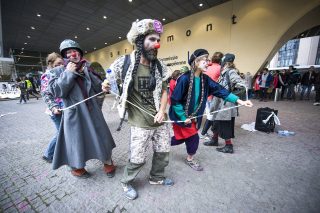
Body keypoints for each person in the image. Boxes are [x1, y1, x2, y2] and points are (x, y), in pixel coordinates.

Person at [106, 19, 172, 200]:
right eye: (151, 39)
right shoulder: (124, 62)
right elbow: (109, 78)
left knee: (163, 151)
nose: (156, 44)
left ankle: (156, 177)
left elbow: (165, 90)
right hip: (139, 122)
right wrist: (106, 84)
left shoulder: (159, 66)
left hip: (160, 120)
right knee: (137, 157)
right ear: (139, 41)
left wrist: (162, 110)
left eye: (158, 39)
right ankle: (126, 182)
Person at [170, 50, 253, 169]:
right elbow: (175, 100)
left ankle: (162, 144)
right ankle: (190, 159)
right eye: (205, 60)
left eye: (208, 60)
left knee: (180, 139)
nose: (208, 63)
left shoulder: (205, 79)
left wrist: (240, 101)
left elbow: (221, 90)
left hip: (193, 117)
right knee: (194, 138)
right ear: (196, 61)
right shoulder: (184, 79)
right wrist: (183, 117)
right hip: (180, 116)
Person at [48, 39, 116, 178]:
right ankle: (77, 168)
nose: (73, 54)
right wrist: (68, 73)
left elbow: (97, 86)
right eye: (68, 52)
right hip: (74, 114)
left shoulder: (87, 67)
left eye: (75, 51)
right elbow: (57, 92)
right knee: (76, 142)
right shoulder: (58, 71)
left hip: (92, 111)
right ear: (64, 56)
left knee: (101, 136)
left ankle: (107, 162)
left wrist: (104, 87)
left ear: (80, 53)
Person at [208, 54, 250, 153]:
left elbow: (242, 85)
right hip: (219, 103)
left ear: (226, 62)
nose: (221, 64)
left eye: (222, 62)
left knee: (225, 124)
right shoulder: (224, 73)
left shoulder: (231, 72)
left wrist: (231, 96)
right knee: (216, 122)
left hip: (226, 104)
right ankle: (214, 140)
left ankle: (228, 146)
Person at [40, 52, 64, 163]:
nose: (61, 65)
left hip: (64, 109)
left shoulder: (61, 72)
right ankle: (48, 155)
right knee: (61, 133)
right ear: (50, 63)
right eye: (58, 63)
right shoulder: (47, 75)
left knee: (63, 133)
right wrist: (54, 107)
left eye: (62, 63)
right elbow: (45, 94)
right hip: (56, 111)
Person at [200, 52, 223, 140]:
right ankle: (203, 133)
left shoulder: (207, 66)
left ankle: (213, 133)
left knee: (209, 113)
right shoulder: (220, 68)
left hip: (204, 94)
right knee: (212, 115)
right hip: (212, 95)